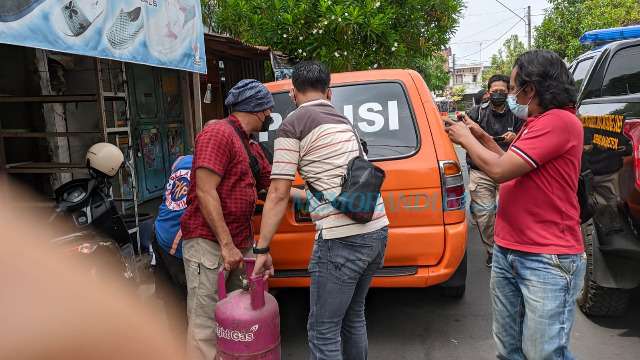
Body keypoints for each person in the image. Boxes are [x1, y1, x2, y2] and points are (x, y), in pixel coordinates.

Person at [445, 50, 585, 360]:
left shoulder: (559, 122)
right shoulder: (536, 123)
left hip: (545, 256)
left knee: (544, 354)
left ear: (530, 88)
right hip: (510, 250)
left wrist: (464, 140)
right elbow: (508, 162)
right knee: (509, 350)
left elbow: (497, 171)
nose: (509, 94)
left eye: (512, 87)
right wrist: (481, 135)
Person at [252, 61, 389, 360]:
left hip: (341, 241)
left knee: (323, 330)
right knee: (354, 317)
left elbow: (277, 191)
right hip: (377, 230)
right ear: (328, 92)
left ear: (292, 93)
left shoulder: (293, 124)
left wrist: (261, 248)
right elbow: (330, 187)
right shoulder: (343, 121)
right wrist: (290, 195)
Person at [179, 79, 274, 360]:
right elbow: (205, 191)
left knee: (238, 320)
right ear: (258, 109)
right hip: (210, 244)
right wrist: (226, 245)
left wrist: (324, 198)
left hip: (239, 244)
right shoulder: (217, 134)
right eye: (268, 109)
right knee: (205, 324)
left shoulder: (251, 147)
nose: (270, 116)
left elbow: (276, 189)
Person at [465, 74, 524, 267]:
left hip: (509, 170)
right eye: (494, 91)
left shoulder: (518, 114)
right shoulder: (476, 113)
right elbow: (464, 136)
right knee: (484, 214)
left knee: (508, 213)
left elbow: (529, 142)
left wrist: (515, 137)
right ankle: (493, 251)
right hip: (481, 171)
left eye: (502, 92)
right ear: (488, 92)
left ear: (509, 93)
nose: (498, 94)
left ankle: (509, 251)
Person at [152, 154, 193, 298]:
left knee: (167, 292)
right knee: (182, 296)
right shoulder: (208, 168)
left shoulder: (182, 160)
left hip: (159, 228)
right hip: (176, 240)